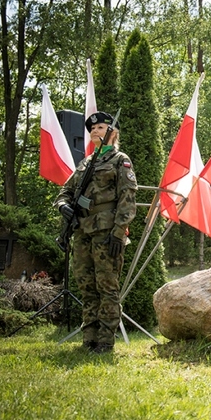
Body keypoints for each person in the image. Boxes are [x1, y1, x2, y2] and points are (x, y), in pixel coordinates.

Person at [55, 111, 137, 353]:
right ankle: (88, 338)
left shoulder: (120, 160)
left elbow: (127, 199)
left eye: (101, 127)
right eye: (92, 128)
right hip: (82, 231)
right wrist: (64, 206)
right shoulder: (85, 163)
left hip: (106, 232)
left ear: (113, 132)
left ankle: (105, 341)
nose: (95, 131)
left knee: (106, 286)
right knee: (87, 286)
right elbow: (65, 191)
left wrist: (119, 232)